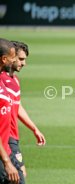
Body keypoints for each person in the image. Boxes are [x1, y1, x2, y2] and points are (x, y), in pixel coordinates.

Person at [0, 41, 46, 178]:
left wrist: (34, 128)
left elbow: (17, 105)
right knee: (19, 176)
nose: (22, 63)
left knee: (20, 175)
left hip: (13, 136)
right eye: (19, 58)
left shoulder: (15, 80)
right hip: (6, 138)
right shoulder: (2, 80)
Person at [0, 38, 22, 184]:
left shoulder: (2, 80)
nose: (14, 60)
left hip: (6, 150)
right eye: (13, 57)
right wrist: (7, 162)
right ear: (4, 59)